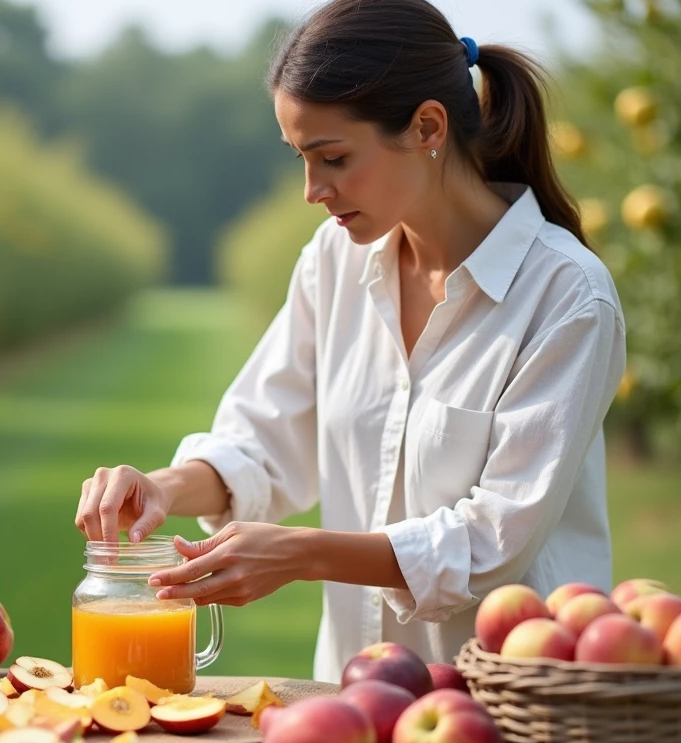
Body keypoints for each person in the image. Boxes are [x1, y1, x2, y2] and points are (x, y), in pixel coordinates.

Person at [74, 0, 626, 683]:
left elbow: (495, 540)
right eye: (301, 159)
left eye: (332, 157)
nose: (312, 191)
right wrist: (160, 488)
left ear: (427, 126)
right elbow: (267, 438)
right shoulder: (334, 263)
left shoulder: (566, 296)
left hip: (515, 706)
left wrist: (304, 553)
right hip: (357, 701)